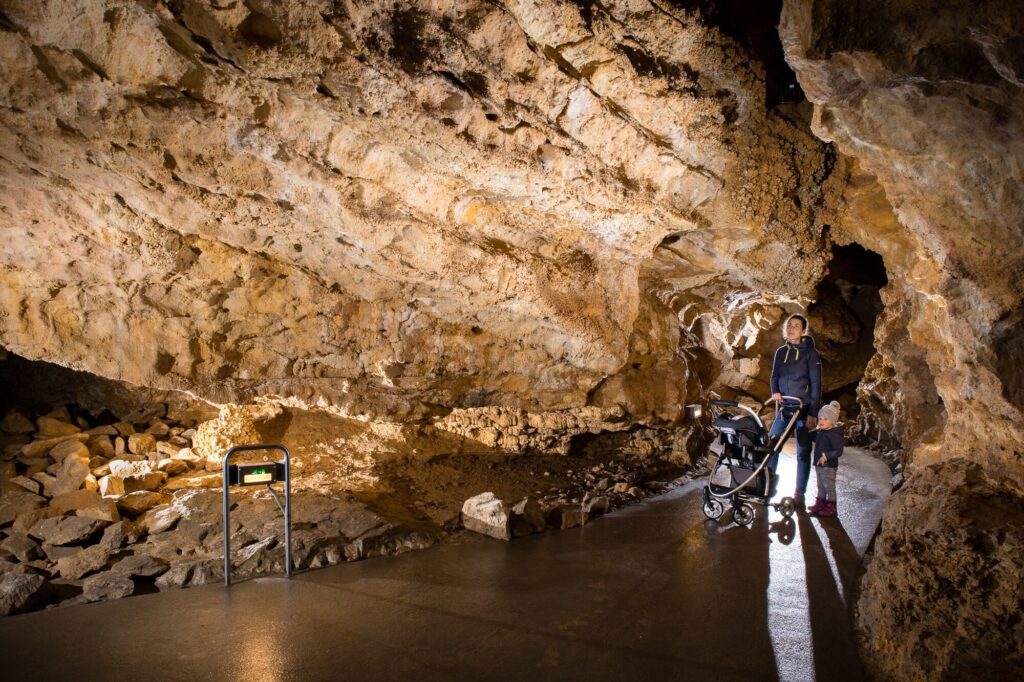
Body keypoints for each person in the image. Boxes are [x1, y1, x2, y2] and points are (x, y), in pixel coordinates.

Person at [768, 313, 822, 509]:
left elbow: (816, 385)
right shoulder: (781, 352)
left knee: (803, 453)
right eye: (789, 325)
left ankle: (799, 493)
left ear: (803, 330)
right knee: (771, 447)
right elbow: (774, 376)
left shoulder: (810, 354)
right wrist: (775, 392)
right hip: (785, 408)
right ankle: (767, 486)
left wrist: (813, 413)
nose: (791, 329)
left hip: (803, 409)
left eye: (796, 326)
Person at [809, 401, 843, 517]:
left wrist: (826, 456)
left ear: (832, 420)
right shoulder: (822, 431)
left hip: (829, 466)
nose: (822, 421)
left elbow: (838, 451)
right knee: (820, 485)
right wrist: (815, 431)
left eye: (825, 419)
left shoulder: (834, 434)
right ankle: (820, 503)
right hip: (819, 464)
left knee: (829, 486)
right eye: (820, 418)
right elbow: (816, 440)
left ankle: (831, 506)